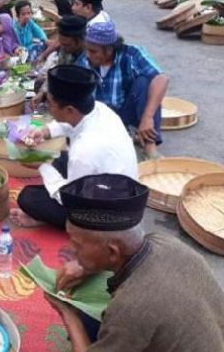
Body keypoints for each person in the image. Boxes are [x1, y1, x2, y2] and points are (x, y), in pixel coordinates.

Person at [13, 173, 224, 352]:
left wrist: (67, 314)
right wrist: (86, 267)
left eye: (77, 244)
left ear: (112, 252)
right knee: (91, 316)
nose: (71, 249)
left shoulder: (133, 305)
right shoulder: (163, 243)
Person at [11, 65, 137, 229]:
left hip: (111, 213)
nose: (47, 107)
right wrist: (45, 131)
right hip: (113, 183)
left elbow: (71, 199)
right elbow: (71, 123)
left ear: (69, 109)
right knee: (58, 157)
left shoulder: (85, 149)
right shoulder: (100, 109)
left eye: (50, 103)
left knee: (28, 198)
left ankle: (54, 221)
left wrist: (43, 166)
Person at [78, 21, 169, 159]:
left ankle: (150, 147)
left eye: (93, 51)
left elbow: (161, 79)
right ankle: (125, 135)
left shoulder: (131, 54)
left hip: (124, 110)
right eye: (87, 49)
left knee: (144, 81)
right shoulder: (84, 60)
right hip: (99, 115)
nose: (88, 55)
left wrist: (147, 117)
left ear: (109, 50)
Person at [32, 15, 88, 110]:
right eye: (61, 43)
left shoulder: (89, 59)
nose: (62, 47)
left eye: (66, 44)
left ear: (80, 41)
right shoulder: (65, 51)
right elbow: (57, 72)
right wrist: (43, 93)